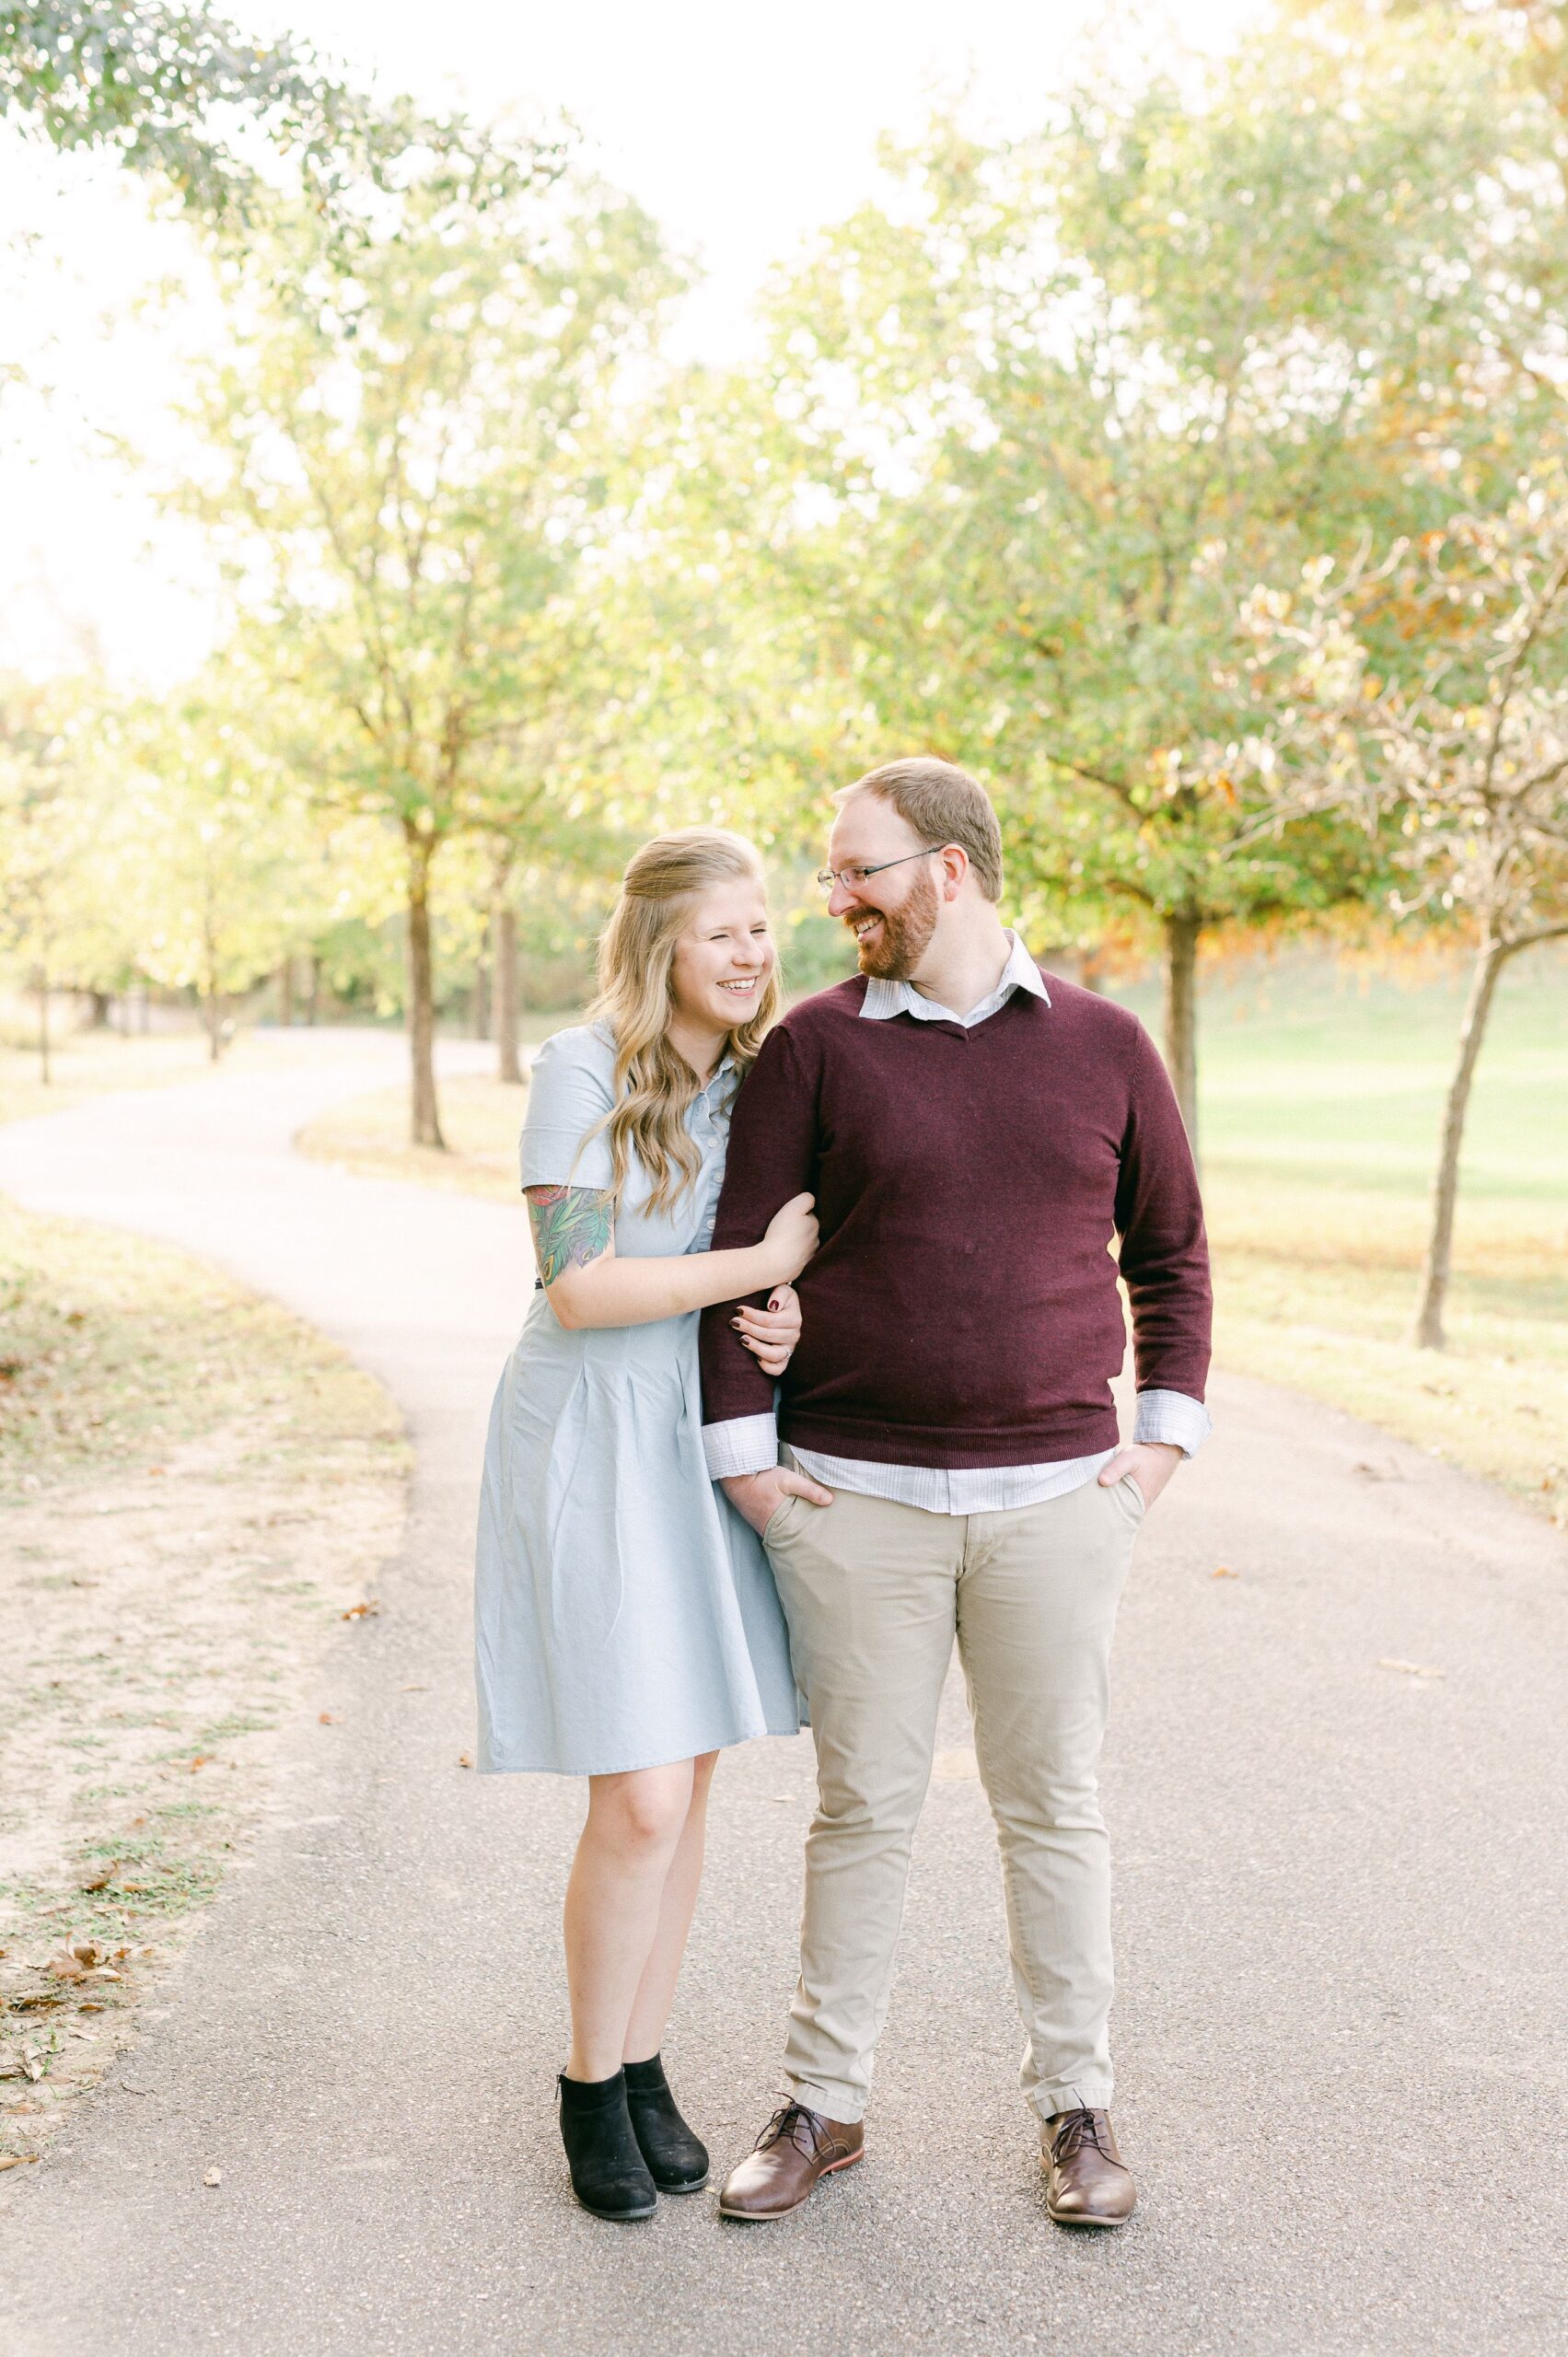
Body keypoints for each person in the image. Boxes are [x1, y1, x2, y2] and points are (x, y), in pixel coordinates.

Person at [699, 758, 1212, 2228]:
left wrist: (1159, 1447)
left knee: (1053, 1807)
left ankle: (1078, 2109)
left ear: (952, 870)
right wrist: (749, 1472)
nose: (835, 899)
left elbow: (1172, 1255)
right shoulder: (812, 1049)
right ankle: (824, 2104)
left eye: (859, 870)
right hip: (853, 1505)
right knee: (860, 1810)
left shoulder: (1109, 1044)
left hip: (1062, 1502)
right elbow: (745, 1264)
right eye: (831, 873)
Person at [475, 828, 818, 2223]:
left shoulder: (755, 1082)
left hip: (700, 1435)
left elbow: (762, 1276)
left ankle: (643, 2066)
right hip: (591, 1439)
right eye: (726, 930)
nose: (752, 954)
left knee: (694, 1782)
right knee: (642, 1795)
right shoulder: (579, 1067)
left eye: (763, 931)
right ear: (661, 941)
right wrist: (764, 1264)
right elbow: (579, 1287)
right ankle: (582, 2084)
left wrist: (786, 1320)